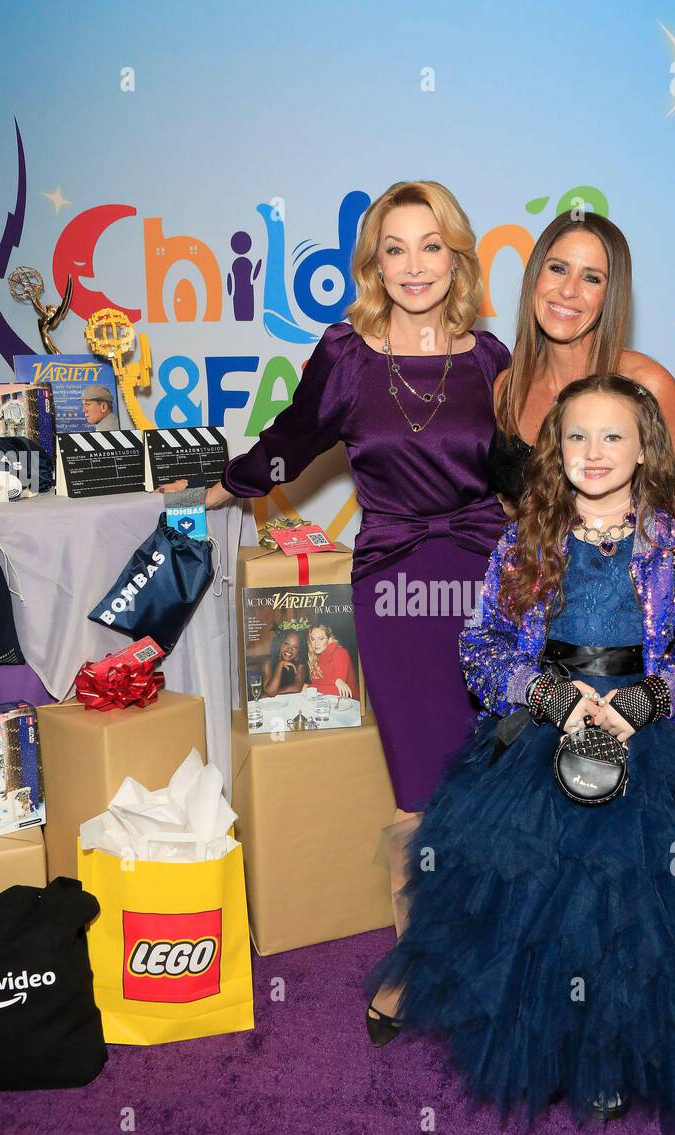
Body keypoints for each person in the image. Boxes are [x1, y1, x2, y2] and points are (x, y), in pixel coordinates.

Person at [363, 373, 675, 1135]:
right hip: (546, 731)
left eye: (614, 436)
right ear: (555, 449)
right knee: (533, 904)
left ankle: (608, 1056)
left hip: (647, 739)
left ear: (645, 449)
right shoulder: (525, 541)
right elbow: (480, 648)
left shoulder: (674, 546)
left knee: (633, 909)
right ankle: (545, 1047)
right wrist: (549, 696)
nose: (594, 451)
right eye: (577, 436)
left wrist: (646, 702)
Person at [203, 181, 511, 1023]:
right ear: (373, 262)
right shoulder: (347, 354)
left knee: (490, 777)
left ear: (458, 256)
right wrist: (225, 486)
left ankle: (493, 954)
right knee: (417, 791)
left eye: (431, 245)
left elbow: (529, 481)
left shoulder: (491, 361)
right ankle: (420, 966)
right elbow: (293, 440)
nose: (414, 266)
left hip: (487, 583)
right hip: (397, 586)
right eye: (394, 249)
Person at [488, 211, 675, 755]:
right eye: (557, 268)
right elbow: (514, 497)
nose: (569, 290)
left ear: (610, 295)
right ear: (533, 279)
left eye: (592, 277)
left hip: (635, 623)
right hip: (544, 623)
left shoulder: (648, 384)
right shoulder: (506, 386)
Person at [306, 623, 358, 698]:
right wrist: (334, 681)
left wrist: (309, 687)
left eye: (321, 639)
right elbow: (317, 683)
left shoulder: (340, 653)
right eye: (313, 639)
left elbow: (338, 691)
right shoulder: (315, 657)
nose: (316, 643)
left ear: (329, 639)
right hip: (327, 699)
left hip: (351, 702)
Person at [261, 630, 307, 697]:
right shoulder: (268, 664)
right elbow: (271, 691)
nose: (290, 649)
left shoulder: (300, 664)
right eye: (287, 644)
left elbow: (297, 688)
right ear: (280, 644)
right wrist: (280, 664)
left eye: (295, 647)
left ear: (299, 651)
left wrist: (273, 693)